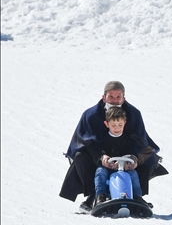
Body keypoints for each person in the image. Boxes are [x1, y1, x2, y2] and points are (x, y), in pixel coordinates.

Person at [60, 81, 166, 211]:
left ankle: (138, 197)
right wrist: (101, 157)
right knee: (80, 156)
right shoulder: (90, 115)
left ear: (124, 98)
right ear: (104, 97)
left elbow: (140, 141)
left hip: (126, 155)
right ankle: (93, 196)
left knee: (150, 157)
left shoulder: (134, 114)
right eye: (111, 97)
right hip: (99, 157)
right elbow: (86, 142)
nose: (115, 100)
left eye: (118, 97)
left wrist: (135, 159)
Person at [92, 107, 147, 206]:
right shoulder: (103, 138)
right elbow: (98, 150)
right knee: (100, 172)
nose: (117, 128)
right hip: (108, 167)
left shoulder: (128, 138)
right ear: (107, 124)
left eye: (120, 125)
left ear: (124, 123)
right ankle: (100, 196)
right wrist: (104, 157)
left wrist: (132, 160)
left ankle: (137, 197)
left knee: (133, 174)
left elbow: (133, 151)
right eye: (113, 125)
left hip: (125, 168)